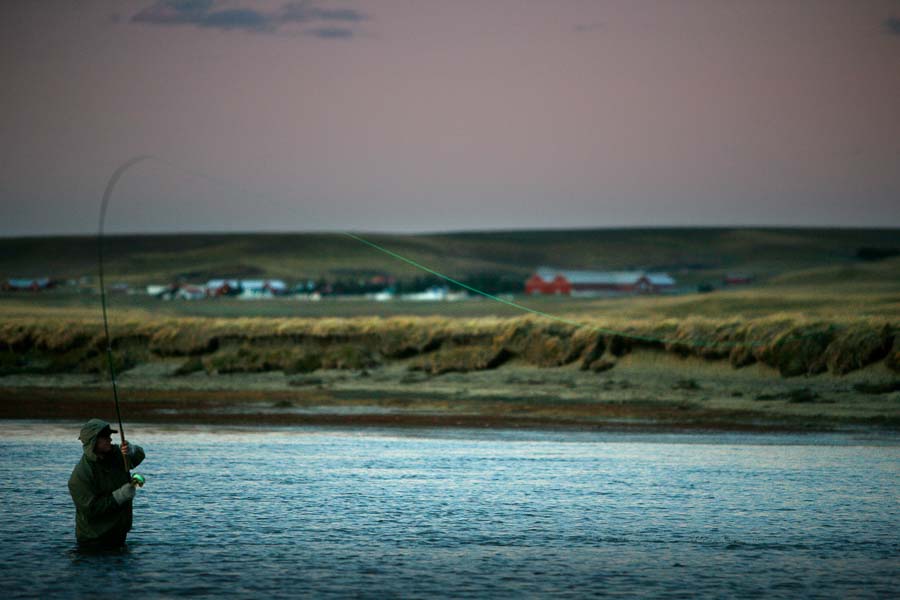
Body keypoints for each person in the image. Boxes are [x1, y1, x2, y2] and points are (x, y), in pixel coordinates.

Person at [68, 418, 145, 549]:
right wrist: (119, 496)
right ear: (93, 441)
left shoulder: (115, 454)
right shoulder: (80, 476)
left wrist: (131, 450)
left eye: (109, 436)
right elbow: (91, 510)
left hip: (119, 536)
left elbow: (138, 457)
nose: (110, 439)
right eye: (105, 437)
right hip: (93, 541)